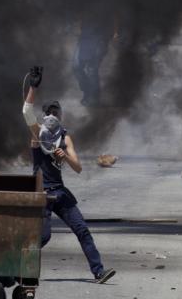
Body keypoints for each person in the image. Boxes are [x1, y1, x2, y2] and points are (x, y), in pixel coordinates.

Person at [21, 68, 116, 284]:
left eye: (56, 112)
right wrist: (33, 88)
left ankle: (99, 271)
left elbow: (78, 167)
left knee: (82, 229)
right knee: (43, 237)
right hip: (41, 193)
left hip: (60, 192)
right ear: (44, 115)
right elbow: (27, 111)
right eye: (50, 112)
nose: (53, 116)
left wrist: (65, 156)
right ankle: (18, 267)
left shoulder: (65, 138)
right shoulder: (38, 135)